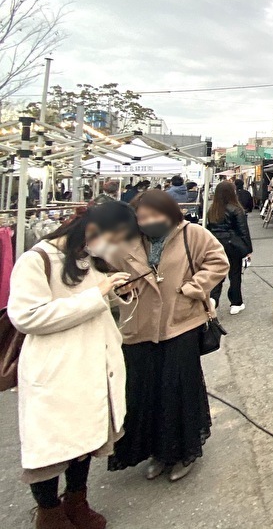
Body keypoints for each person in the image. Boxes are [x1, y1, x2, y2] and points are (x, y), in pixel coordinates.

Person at [7, 202, 138, 529]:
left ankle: (77, 500)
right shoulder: (36, 259)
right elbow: (26, 316)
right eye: (114, 238)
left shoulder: (86, 259)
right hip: (56, 370)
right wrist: (97, 295)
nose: (113, 247)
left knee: (86, 440)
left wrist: (116, 293)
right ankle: (48, 513)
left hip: (93, 365)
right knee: (51, 448)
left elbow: (94, 303)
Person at [107, 190, 228, 483]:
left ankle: (183, 451)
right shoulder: (127, 240)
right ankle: (156, 452)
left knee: (178, 389)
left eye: (154, 215)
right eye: (142, 217)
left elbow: (218, 262)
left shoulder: (192, 234)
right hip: (140, 326)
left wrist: (195, 286)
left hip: (180, 322)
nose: (147, 222)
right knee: (145, 391)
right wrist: (119, 289)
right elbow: (109, 275)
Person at [205, 181, 253, 314]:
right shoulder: (236, 209)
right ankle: (236, 303)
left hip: (215, 245)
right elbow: (243, 230)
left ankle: (213, 300)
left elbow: (208, 228)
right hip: (233, 244)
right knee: (235, 274)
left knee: (217, 274)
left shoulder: (212, 209)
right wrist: (248, 250)